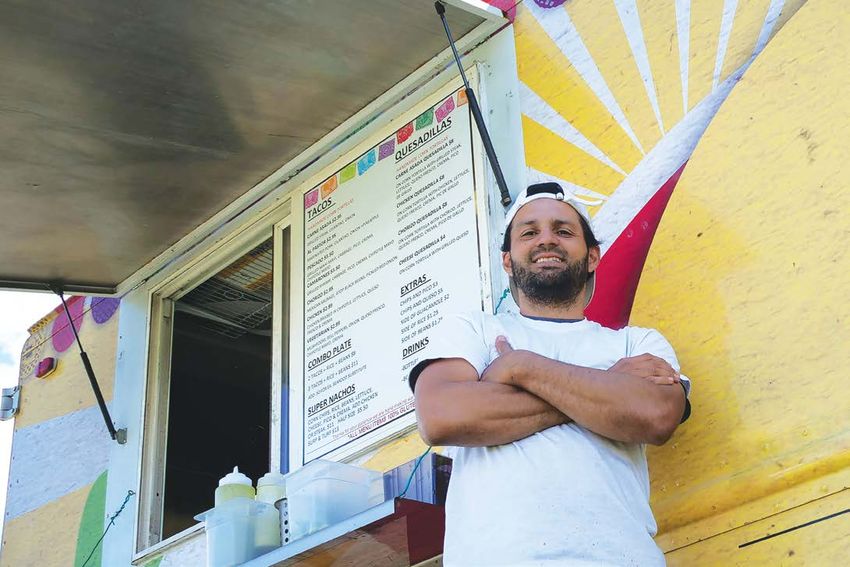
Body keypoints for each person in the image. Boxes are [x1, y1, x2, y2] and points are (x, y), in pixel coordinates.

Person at [409, 182, 691, 566]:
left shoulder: (636, 343)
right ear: (507, 261)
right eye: (529, 233)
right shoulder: (474, 330)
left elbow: (657, 416)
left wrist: (521, 367)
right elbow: (441, 416)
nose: (546, 240)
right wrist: (607, 388)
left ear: (592, 256)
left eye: (563, 231)